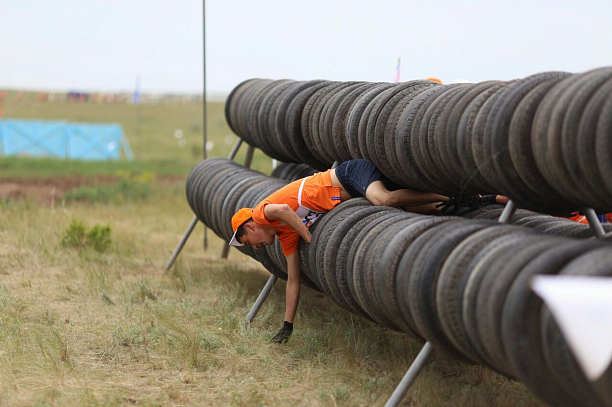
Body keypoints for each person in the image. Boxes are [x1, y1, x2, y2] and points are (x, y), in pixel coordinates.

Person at [229, 159, 501, 343]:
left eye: (252, 242)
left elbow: (286, 210)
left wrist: (308, 236)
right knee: (415, 209)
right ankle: (481, 200)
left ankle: (452, 196)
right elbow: (293, 280)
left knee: (384, 200)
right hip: (355, 192)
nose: (258, 247)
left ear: (251, 227)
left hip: (349, 175)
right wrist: (287, 326)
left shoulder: (262, 213)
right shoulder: (284, 235)